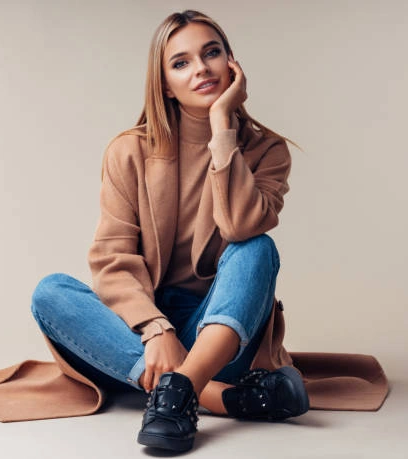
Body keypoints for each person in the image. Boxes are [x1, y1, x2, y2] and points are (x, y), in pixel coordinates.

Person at [30, 10, 308, 453]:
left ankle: (182, 389)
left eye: (211, 53)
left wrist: (222, 125)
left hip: (219, 335)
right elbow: (112, 258)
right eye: (180, 62)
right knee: (50, 293)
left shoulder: (266, 151)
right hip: (141, 333)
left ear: (232, 64)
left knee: (257, 247)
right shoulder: (129, 150)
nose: (200, 68)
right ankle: (215, 397)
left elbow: (239, 225)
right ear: (162, 84)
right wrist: (155, 328)